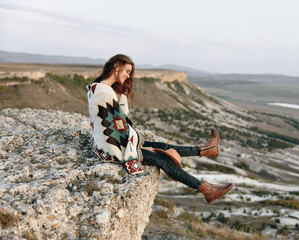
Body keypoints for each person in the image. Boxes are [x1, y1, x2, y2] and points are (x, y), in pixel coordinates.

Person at [87, 54, 233, 204]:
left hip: (110, 143)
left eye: (130, 73)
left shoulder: (98, 88)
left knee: (162, 147)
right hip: (113, 149)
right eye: (127, 71)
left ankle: (206, 150)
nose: (128, 76)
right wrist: (136, 149)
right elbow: (117, 128)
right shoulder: (104, 92)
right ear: (116, 66)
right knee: (162, 158)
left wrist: (121, 97)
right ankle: (206, 190)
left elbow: (114, 123)